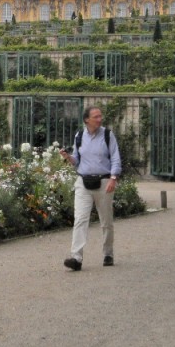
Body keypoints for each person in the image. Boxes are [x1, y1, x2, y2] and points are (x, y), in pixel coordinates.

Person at [58, 106, 122, 271]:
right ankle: (76, 258)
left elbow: (115, 157)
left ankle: (108, 253)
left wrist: (113, 178)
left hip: (104, 182)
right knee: (80, 219)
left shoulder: (108, 135)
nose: (99, 119)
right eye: (96, 117)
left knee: (106, 221)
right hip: (83, 182)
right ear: (87, 120)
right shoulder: (79, 136)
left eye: (100, 116)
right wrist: (68, 157)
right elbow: (77, 161)